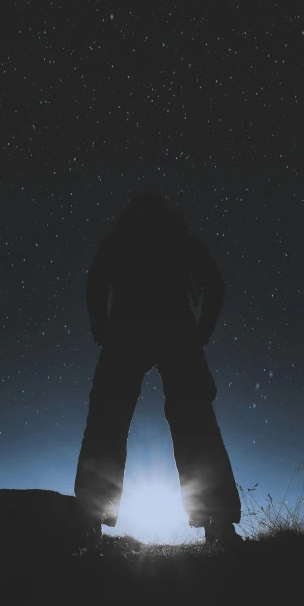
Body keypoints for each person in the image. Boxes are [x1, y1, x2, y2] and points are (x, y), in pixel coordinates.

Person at [73, 193, 241, 550]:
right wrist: (201, 334)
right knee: (195, 424)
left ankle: (90, 519)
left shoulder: (121, 239)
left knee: (108, 421)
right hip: (173, 329)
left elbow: (96, 282)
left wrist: (100, 324)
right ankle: (219, 522)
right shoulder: (180, 240)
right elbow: (215, 285)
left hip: (128, 327)